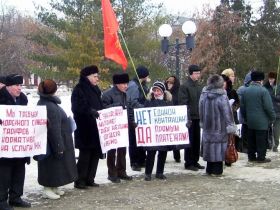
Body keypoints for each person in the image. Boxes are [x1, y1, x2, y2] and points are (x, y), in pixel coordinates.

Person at [37, 79, 77, 199]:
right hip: (53, 142)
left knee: (57, 166)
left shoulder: (49, 103)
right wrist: (58, 146)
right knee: (51, 165)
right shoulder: (49, 106)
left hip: (58, 139)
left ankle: (54, 186)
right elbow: (54, 129)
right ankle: (47, 188)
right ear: (52, 91)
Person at [0, 74, 31, 210]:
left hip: (20, 144)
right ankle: (1, 200)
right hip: (5, 144)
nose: (20, 88)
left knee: (19, 170)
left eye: (21, 85)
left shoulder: (23, 99)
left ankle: (15, 197)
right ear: (8, 87)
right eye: (17, 86)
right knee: (4, 173)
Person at [71, 65, 103, 189]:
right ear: (87, 77)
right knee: (85, 155)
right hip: (84, 127)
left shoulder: (95, 89)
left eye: (97, 76)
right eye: (95, 76)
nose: (97, 79)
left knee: (95, 154)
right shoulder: (79, 89)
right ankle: (80, 180)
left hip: (96, 127)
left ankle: (90, 178)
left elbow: (99, 104)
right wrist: (90, 111)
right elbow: (77, 107)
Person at [199, 74, 237, 176]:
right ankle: (217, 171)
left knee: (209, 146)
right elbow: (227, 112)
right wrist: (231, 125)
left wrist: (202, 121)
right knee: (219, 148)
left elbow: (201, 109)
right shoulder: (222, 96)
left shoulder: (204, 94)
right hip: (219, 127)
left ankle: (209, 169)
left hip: (207, 126)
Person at [102, 73, 132, 183]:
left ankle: (121, 171)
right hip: (112, 128)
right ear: (117, 84)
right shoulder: (107, 94)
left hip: (123, 126)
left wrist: (131, 121)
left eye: (127, 83)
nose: (126, 86)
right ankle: (112, 173)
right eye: (124, 83)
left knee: (122, 150)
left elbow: (128, 108)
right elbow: (103, 109)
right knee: (112, 151)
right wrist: (118, 106)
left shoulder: (126, 94)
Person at [240, 71, 276, 163]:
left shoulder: (246, 91)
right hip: (262, 121)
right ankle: (261, 157)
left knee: (251, 139)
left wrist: (246, 117)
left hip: (250, 120)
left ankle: (251, 156)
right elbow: (268, 107)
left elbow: (243, 107)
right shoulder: (263, 91)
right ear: (261, 80)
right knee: (261, 140)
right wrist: (272, 117)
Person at [144, 81, 173, 181]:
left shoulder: (168, 102)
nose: (156, 93)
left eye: (158, 90)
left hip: (163, 132)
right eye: (154, 90)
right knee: (151, 153)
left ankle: (159, 172)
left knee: (163, 152)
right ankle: (148, 173)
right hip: (152, 132)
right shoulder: (148, 101)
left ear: (163, 92)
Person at [178, 65, 205, 171]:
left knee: (197, 140)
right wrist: (188, 116)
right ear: (191, 74)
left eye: (199, 73)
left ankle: (195, 160)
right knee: (190, 140)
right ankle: (188, 162)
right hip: (190, 118)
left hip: (198, 117)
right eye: (196, 73)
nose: (198, 75)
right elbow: (183, 103)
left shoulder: (199, 86)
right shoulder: (184, 86)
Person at [127, 66, 150, 171]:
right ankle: (134, 162)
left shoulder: (143, 85)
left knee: (142, 138)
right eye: (147, 75)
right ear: (143, 76)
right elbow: (132, 102)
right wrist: (145, 108)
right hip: (133, 116)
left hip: (142, 116)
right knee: (134, 140)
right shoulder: (133, 85)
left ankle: (142, 159)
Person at [165, 75, 181, 162]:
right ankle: (164, 155)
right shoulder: (164, 92)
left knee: (175, 137)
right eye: (168, 82)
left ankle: (177, 156)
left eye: (171, 83)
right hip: (166, 117)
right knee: (165, 137)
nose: (169, 84)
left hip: (174, 117)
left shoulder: (178, 92)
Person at [263, 72, 280, 152]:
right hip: (267, 112)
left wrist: (275, 97)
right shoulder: (265, 87)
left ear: (275, 79)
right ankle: (267, 144)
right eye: (270, 78)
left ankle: (275, 145)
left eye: (272, 79)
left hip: (277, 111)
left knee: (276, 130)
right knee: (267, 129)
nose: (271, 80)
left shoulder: (278, 87)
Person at [236, 70, 252, 153]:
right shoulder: (242, 89)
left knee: (248, 132)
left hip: (250, 114)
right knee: (244, 131)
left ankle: (247, 147)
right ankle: (243, 147)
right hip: (244, 114)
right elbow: (240, 101)